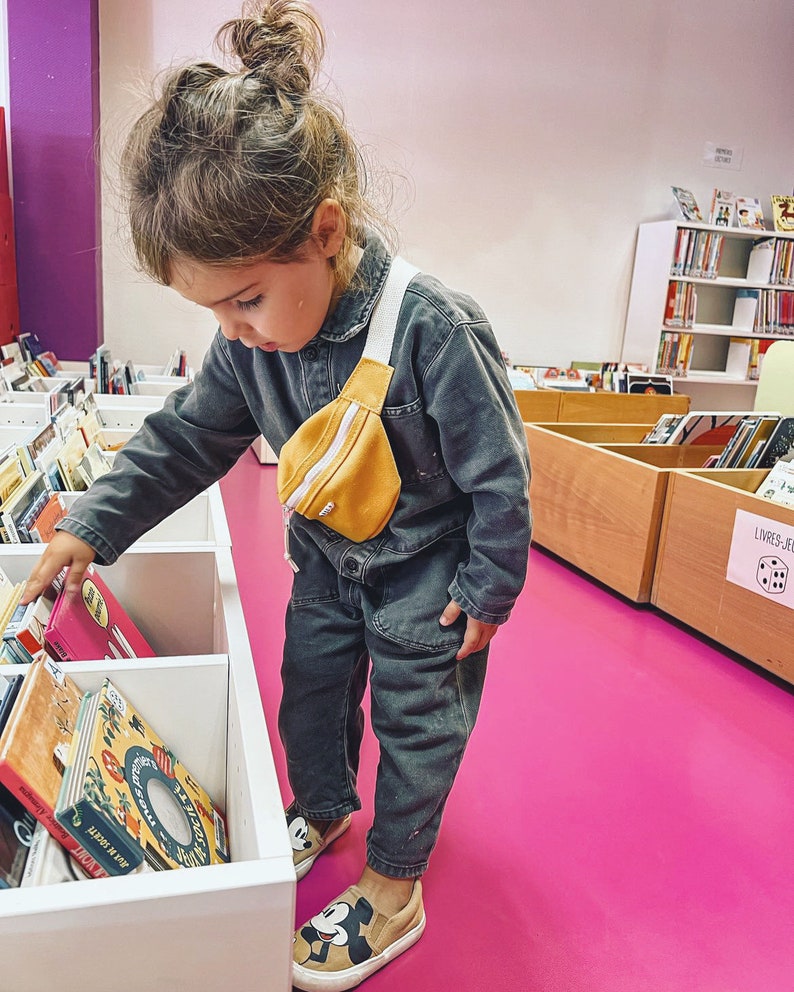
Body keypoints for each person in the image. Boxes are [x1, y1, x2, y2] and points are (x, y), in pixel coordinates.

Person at [22, 2, 531, 988]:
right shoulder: (246, 342)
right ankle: (324, 802)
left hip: (430, 578)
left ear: (324, 233)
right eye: (210, 308)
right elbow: (184, 438)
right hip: (329, 565)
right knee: (308, 693)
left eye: (245, 297)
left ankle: (394, 881)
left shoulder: (432, 327)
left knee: (419, 725)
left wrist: (490, 587)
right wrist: (93, 523)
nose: (235, 329)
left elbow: (497, 475)